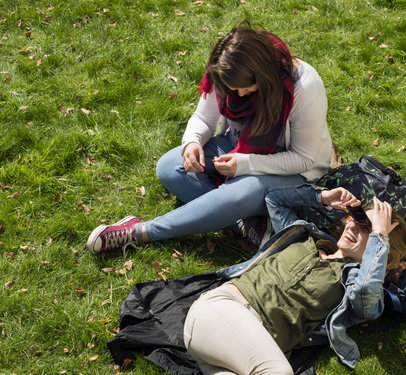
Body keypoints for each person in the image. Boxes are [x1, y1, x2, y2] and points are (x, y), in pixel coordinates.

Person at [87, 20, 332, 253]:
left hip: (291, 173)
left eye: (243, 88)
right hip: (236, 150)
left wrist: (246, 165)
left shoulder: (304, 86)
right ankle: (241, 222)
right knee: (170, 167)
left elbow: (303, 159)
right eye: (231, 89)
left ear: (263, 75)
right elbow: (204, 118)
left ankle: (141, 231)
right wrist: (192, 142)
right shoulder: (225, 71)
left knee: (242, 192)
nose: (237, 94)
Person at [183, 197, 406, 374]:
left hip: (232, 351)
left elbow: (367, 289)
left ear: (384, 250)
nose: (353, 226)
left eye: (367, 228)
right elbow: (274, 199)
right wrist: (322, 197)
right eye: (355, 218)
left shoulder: (353, 283)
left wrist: (380, 234)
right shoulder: (306, 237)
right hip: (223, 307)